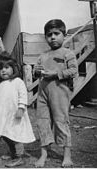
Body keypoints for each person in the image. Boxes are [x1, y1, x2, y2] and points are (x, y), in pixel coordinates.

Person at [33, 19, 78, 168]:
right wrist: (36, 71)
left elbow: (73, 71)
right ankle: (44, 154)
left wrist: (56, 74)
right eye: (49, 34)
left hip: (59, 92)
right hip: (42, 93)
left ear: (63, 35)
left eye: (56, 33)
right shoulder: (42, 55)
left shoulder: (68, 53)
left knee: (61, 121)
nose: (52, 37)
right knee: (42, 121)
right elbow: (36, 71)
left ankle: (67, 155)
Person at [0, 52, 36, 167]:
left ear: (13, 68)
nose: (3, 71)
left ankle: (19, 157)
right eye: (0, 69)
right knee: (6, 135)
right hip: (4, 116)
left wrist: (21, 108)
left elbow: (23, 96)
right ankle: (13, 153)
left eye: (6, 68)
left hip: (15, 115)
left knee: (15, 136)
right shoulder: (0, 85)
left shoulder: (17, 82)